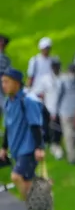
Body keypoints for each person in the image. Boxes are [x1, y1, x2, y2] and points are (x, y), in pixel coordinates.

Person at [0, 68, 45, 199]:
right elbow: (8, 126)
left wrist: (39, 147)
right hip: (16, 149)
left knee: (16, 176)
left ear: (16, 83)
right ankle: (35, 204)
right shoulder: (8, 102)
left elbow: (35, 124)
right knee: (26, 180)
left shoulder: (28, 100)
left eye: (6, 82)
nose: (3, 85)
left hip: (28, 148)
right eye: (2, 82)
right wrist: (4, 148)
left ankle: (31, 203)